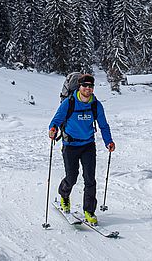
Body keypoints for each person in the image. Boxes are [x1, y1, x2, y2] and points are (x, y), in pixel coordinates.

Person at [48, 73, 115, 225]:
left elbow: (103, 125)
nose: (88, 89)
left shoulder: (95, 105)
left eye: (91, 86)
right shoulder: (69, 102)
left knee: (90, 179)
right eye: (85, 86)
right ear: (79, 87)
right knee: (71, 177)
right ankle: (64, 195)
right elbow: (56, 120)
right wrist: (52, 129)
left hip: (88, 145)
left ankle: (89, 211)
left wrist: (108, 141)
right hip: (70, 145)